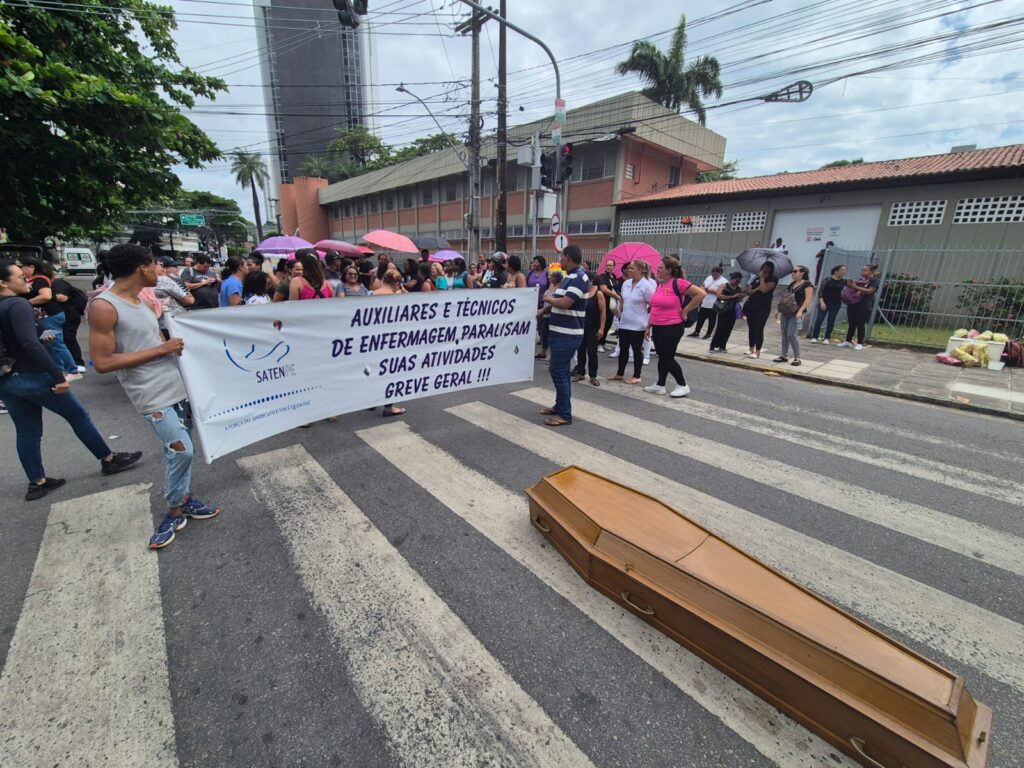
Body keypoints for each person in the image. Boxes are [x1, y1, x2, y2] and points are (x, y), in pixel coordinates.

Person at [89, 244, 221, 549]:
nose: (159, 271)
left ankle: (183, 500)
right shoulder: (104, 306)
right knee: (182, 450)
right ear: (141, 268)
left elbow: (156, 339)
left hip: (175, 385)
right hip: (149, 393)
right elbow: (103, 362)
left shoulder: (139, 300)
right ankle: (174, 509)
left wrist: (173, 347)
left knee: (176, 450)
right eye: (154, 266)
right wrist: (162, 349)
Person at [0, 260, 142, 500]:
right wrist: (58, 375)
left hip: (7, 380)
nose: (26, 279)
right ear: (3, 283)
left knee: (27, 431)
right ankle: (108, 459)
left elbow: (17, 341)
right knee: (78, 417)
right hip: (34, 375)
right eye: (19, 277)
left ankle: (37, 482)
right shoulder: (17, 305)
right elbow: (27, 343)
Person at [541, 245, 589, 427]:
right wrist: (542, 310)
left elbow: (565, 302)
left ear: (568, 257)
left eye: (562, 257)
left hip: (567, 335)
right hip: (559, 332)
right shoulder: (569, 277)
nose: (560, 261)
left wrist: (548, 299)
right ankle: (560, 405)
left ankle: (565, 415)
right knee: (561, 372)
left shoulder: (579, 278)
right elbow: (559, 299)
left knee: (558, 371)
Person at [644, 256, 705, 397]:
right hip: (657, 326)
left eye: (660, 268)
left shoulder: (678, 283)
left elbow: (701, 294)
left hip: (672, 326)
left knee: (667, 357)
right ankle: (660, 385)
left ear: (669, 270)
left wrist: (686, 310)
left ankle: (682, 384)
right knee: (662, 356)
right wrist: (648, 326)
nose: (657, 270)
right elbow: (655, 308)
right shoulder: (660, 285)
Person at [20, 257, 81, 379]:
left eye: (21, 266)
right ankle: (61, 371)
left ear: (31, 267)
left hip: (50, 315)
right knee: (51, 345)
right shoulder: (33, 280)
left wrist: (26, 303)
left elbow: (46, 296)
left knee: (56, 344)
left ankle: (73, 371)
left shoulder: (40, 279)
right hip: (47, 315)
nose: (19, 269)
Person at [607, 260, 655, 384]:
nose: (629, 270)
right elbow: (623, 298)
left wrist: (648, 325)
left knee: (636, 349)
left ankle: (637, 375)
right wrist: (620, 307)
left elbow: (653, 305)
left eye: (632, 268)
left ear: (641, 270)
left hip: (638, 324)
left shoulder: (647, 286)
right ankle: (620, 373)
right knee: (623, 349)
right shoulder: (626, 283)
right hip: (624, 322)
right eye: (629, 268)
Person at [373, 267, 407, 418]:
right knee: (391, 373)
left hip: (374, 340)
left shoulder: (371, 295)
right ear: (397, 283)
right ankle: (389, 406)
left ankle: (370, 400)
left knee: (374, 369)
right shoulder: (396, 298)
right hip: (392, 341)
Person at [571, 273, 606, 387]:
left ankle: (593, 375)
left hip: (593, 327)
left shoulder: (598, 293)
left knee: (592, 352)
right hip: (580, 326)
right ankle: (581, 372)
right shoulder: (582, 293)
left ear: (592, 281)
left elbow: (603, 312)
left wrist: (601, 328)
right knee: (580, 351)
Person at [774, 265, 813, 366]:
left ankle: (797, 357)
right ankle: (783, 355)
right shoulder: (792, 284)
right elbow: (786, 298)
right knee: (784, 333)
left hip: (796, 312)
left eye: (795, 271)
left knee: (791, 334)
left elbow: (808, 299)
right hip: (786, 311)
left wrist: (800, 311)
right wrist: (779, 310)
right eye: (792, 271)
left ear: (802, 273)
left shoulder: (807, 284)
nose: (793, 273)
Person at [50, 272, 88, 372]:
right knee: (60, 340)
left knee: (68, 338)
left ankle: (78, 363)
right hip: (60, 315)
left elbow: (63, 297)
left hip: (70, 315)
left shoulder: (57, 283)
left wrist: (44, 296)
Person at [837, 264, 879, 351]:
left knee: (860, 323)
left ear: (871, 271)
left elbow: (870, 291)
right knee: (851, 322)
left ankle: (860, 343)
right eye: (862, 270)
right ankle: (848, 341)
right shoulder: (860, 280)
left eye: (865, 270)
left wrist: (856, 287)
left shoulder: (874, 280)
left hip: (864, 304)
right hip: (853, 302)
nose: (862, 272)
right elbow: (852, 288)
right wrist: (850, 284)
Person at [743, 262, 777, 359]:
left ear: (769, 268)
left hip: (763, 307)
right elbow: (748, 291)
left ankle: (757, 351)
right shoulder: (755, 279)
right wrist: (756, 289)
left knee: (758, 328)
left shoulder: (772, 279)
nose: (761, 268)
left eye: (764, 267)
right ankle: (751, 348)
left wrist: (762, 278)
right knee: (751, 327)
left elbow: (764, 290)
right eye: (761, 266)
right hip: (751, 306)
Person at [154, 257, 195, 336]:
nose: (178, 269)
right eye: (175, 267)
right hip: (173, 323)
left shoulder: (175, 280)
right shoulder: (164, 280)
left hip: (159, 325)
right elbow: (189, 301)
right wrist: (190, 296)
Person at [708, 272, 744, 352]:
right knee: (720, 328)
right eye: (735, 280)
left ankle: (722, 346)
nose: (736, 282)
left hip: (733, 310)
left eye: (738, 281)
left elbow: (740, 299)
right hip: (723, 308)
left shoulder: (739, 288)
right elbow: (718, 295)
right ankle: (713, 346)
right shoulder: (724, 285)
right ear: (732, 279)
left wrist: (740, 297)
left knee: (728, 329)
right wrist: (731, 296)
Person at [810, 264, 846, 344]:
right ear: (836, 271)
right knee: (819, 319)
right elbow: (820, 291)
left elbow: (851, 287)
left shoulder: (843, 281)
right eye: (842, 270)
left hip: (836, 303)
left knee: (831, 320)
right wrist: (822, 302)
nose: (844, 272)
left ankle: (827, 338)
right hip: (825, 301)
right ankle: (815, 336)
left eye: (844, 270)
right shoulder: (827, 279)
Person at [690, 266, 727, 339]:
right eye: (713, 274)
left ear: (720, 273)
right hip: (704, 301)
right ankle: (696, 331)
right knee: (700, 318)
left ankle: (709, 333)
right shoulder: (709, 278)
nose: (713, 276)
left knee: (712, 320)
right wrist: (702, 289)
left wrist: (711, 291)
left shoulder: (724, 281)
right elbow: (702, 285)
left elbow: (723, 293)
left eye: (715, 275)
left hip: (714, 303)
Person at [595, 258, 623, 351]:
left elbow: (616, 288)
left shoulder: (614, 277)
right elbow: (603, 289)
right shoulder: (602, 276)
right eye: (607, 265)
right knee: (602, 323)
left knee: (609, 323)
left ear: (614, 267)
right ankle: (597, 343)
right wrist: (615, 295)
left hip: (612, 304)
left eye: (610, 265)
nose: (608, 267)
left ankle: (603, 342)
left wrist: (618, 295)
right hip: (603, 302)